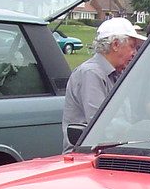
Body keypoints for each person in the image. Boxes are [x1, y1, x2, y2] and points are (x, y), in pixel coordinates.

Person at [61, 17, 145, 150]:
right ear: (115, 45)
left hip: (112, 151)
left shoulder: (116, 74)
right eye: (132, 47)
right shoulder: (91, 73)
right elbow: (101, 126)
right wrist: (138, 132)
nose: (135, 53)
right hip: (87, 156)